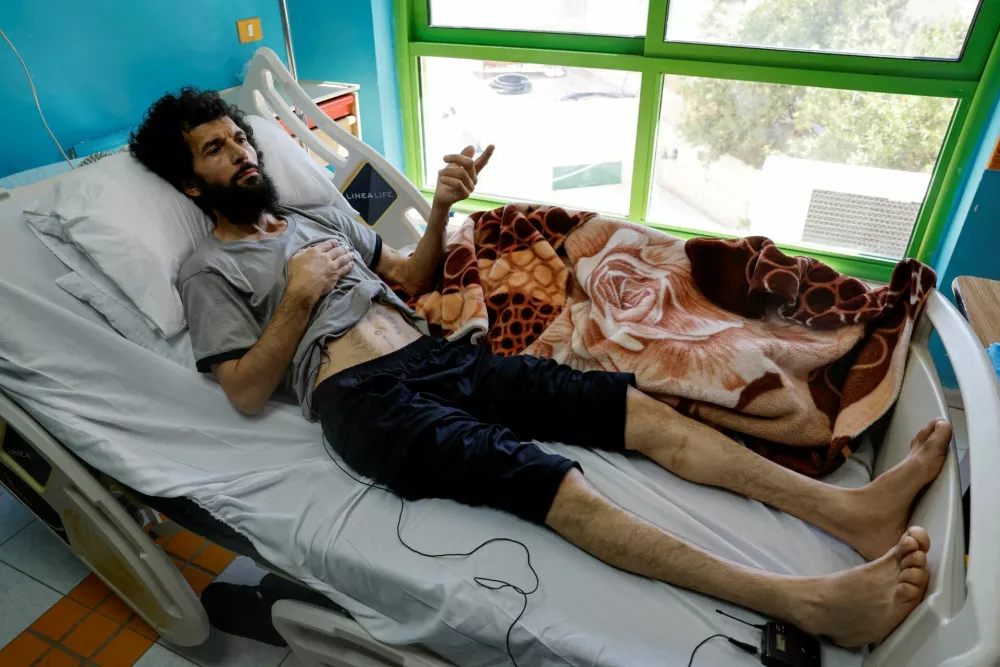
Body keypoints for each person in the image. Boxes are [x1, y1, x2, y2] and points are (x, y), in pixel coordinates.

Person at [130, 88, 953, 649]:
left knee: (641, 412)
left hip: (438, 354)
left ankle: (850, 514)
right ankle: (806, 603)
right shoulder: (209, 268)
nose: (239, 154)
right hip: (363, 402)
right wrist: (298, 299)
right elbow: (242, 389)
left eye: (239, 138)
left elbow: (411, 280)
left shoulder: (313, 212)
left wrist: (446, 204)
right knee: (556, 484)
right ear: (189, 182)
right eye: (214, 150)